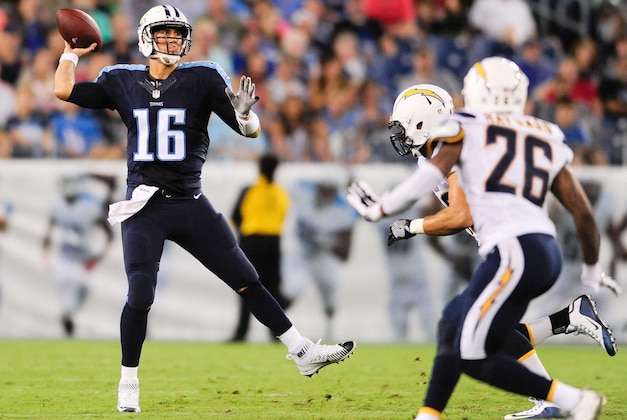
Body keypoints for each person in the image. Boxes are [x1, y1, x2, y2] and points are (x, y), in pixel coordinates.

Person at [54, 4, 355, 413]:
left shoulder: (203, 77)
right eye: (164, 33)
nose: (173, 41)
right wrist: (71, 51)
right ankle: (128, 381)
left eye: (177, 34)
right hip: (144, 206)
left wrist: (246, 115)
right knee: (141, 294)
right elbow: (64, 90)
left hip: (190, 202)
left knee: (247, 278)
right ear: (146, 37)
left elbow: (250, 130)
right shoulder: (122, 80)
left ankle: (301, 351)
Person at [347, 73, 621, 420]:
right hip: (528, 247)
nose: (398, 137)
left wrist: (402, 221)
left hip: (514, 250)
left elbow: (461, 214)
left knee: (471, 348)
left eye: (403, 128)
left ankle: (568, 400)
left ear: (422, 121)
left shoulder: (463, 136)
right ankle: (432, 414)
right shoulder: (528, 133)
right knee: (462, 325)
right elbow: (580, 210)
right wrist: (593, 268)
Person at [42, 173, 116, 337]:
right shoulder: (57, 205)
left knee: (85, 286)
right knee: (66, 281)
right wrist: (45, 252)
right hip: (66, 254)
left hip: (84, 256)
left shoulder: (90, 206)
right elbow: (49, 230)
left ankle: (69, 314)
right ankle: (67, 316)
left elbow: (109, 233)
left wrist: (98, 257)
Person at [228, 154, 292, 342]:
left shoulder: (249, 190)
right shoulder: (280, 193)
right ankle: (276, 332)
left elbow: (235, 217)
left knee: (246, 285)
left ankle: (241, 332)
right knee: (272, 287)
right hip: (273, 241)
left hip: (251, 241)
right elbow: (283, 215)